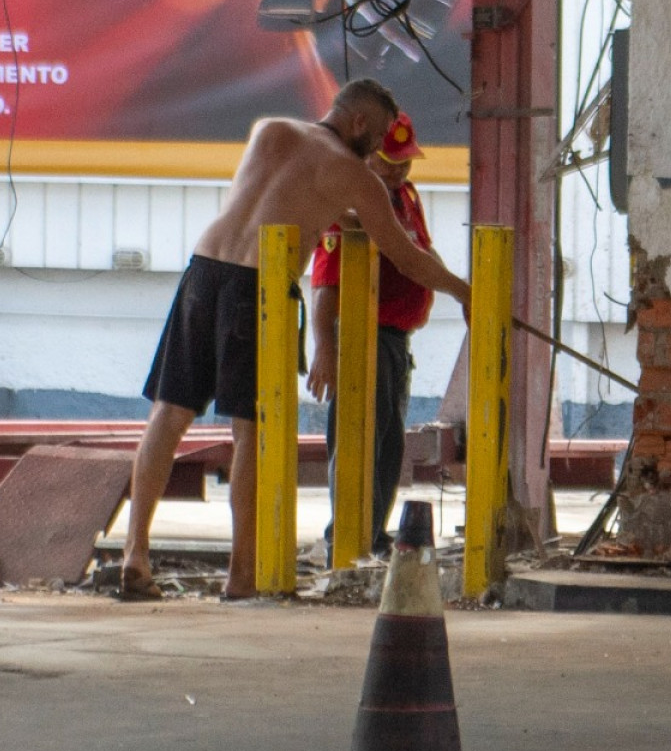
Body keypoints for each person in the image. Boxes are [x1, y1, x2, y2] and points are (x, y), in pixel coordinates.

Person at [118, 79, 471, 601]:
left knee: (169, 413)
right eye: (374, 138)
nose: (376, 151)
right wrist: (468, 291)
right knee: (252, 434)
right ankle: (242, 576)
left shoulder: (270, 130)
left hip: (203, 271)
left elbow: (292, 194)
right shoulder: (356, 177)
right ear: (358, 123)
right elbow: (406, 257)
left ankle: (134, 555)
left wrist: (346, 217)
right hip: (257, 287)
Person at [307, 110, 437, 561]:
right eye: (388, 160)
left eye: (404, 160)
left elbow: (420, 252)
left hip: (396, 340)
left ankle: (373, 537)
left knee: (388, 443)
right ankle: (345, 539)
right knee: (358, 440)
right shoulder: (353, 206)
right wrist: (325, 347)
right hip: (364, 336)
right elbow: (326, 282)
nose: (398, 169)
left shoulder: (405, 197)